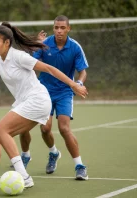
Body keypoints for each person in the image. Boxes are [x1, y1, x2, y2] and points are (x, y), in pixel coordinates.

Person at [0, 22, 88, 194]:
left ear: (7, 43)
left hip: (37, 99)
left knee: (2, 130)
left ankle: (24, 176)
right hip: (24, 101)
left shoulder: (18, 56)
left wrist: (73, 85)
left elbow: (48, 68)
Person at [17, 15, 89, 180]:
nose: (59, 31)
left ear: (68, 29)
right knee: (45, 128)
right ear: (53, 28)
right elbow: (31, 63)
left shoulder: (75, 47)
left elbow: (83, 71)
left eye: (62, 28)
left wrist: (78, 83)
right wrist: (37, 45)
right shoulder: (45, 44)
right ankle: (53, 153)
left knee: (64, 128)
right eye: (56, 27)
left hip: (65, 92)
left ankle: (80, 166)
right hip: (44, 91)